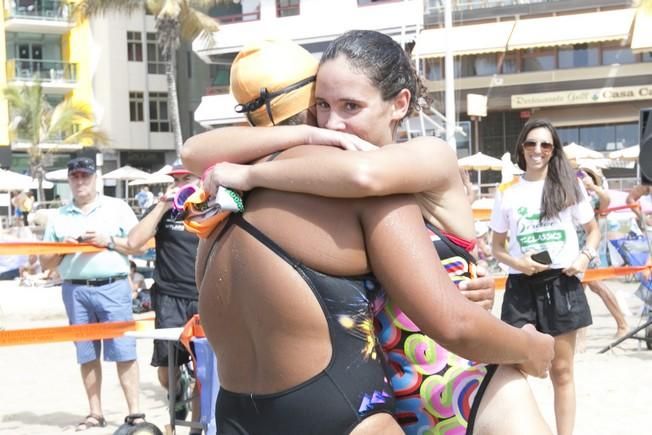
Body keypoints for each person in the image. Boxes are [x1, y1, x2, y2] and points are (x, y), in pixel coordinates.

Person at [183, 35, 553, 434]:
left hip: (466, 386)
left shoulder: (426, 156)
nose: (333, 123)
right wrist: (308, 137)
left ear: (400, 104)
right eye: (321, 106)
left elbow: (366, 175)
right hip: (386, 395)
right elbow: (193, 152)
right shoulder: (329, 176)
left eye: (351, 107)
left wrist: (534, 346)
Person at [490, 119, 600, 435]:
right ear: (521, 146)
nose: (538, 150)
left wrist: (583, 258)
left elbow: (592, 232)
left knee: (562, 372)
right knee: (514, 368)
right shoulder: (506, 190)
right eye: (531, 143)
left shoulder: (568, 185)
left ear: (553, 151)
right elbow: (497, 248)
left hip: (561, 283)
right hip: (521, 285)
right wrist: (518, 262)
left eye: (545, 145)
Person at [39, 156, 146, 431]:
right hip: (75, 290)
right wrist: (63, 248)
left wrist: (106, 241)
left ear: (95, 178)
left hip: (113, 286)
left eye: (84, 176)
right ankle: (95, 413)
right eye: (74, 177)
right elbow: (45, 263)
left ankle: (135, 413)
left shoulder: (118, 208)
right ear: (69, 181)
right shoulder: (59, 216)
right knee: (86, 354)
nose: (80, 181)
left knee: (124, 351)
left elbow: (139, 246)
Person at [127, 160, 201, 428]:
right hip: (169, 298)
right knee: (166, 372)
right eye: (176, 180)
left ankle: (195, 429)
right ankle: (177, 390)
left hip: (204, 298)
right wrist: (162, 205)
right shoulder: (163, 211)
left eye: (187, 179)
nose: (180, 185)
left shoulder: (211, 207)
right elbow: (134, 243)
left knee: (203, 373)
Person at [576, 165, 628, 338]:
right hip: (573, 250)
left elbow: (606, 200)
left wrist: (591, 186)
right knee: (579, 292)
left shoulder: (593, 198)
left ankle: (622, 324)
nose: (581, 177)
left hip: (588, 248)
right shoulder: (572, 197)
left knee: (596, 285)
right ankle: (581, 336)